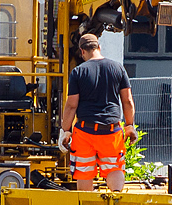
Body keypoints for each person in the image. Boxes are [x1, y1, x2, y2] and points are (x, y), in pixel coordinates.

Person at [58, 33, 136, 190]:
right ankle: (115, 200)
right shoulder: (118, 68)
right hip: (111, 131)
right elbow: (127, 100)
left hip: (85, 132)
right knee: (114, 169)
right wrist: (129, 125)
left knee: (84, 173)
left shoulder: (78, 72)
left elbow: (71, 105)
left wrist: (65, 131)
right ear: (99, 47)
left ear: (82, 51)